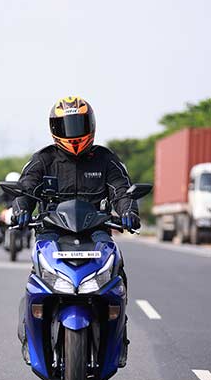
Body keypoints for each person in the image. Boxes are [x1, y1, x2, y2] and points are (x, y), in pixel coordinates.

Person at [12, 96, 141, 366]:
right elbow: (25, 189)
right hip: (52, 232)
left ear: (91, 125)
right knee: (38, 277)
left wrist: (129, 211)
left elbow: (122, 190)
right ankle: (31, 331)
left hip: (96, 231)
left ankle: (119, 330)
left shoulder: (106, 159)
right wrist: (21, 209)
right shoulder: (43, 159)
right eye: (66, 125)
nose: (73, 133)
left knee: (118, 269)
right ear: (54, 128)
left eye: (78, 124)